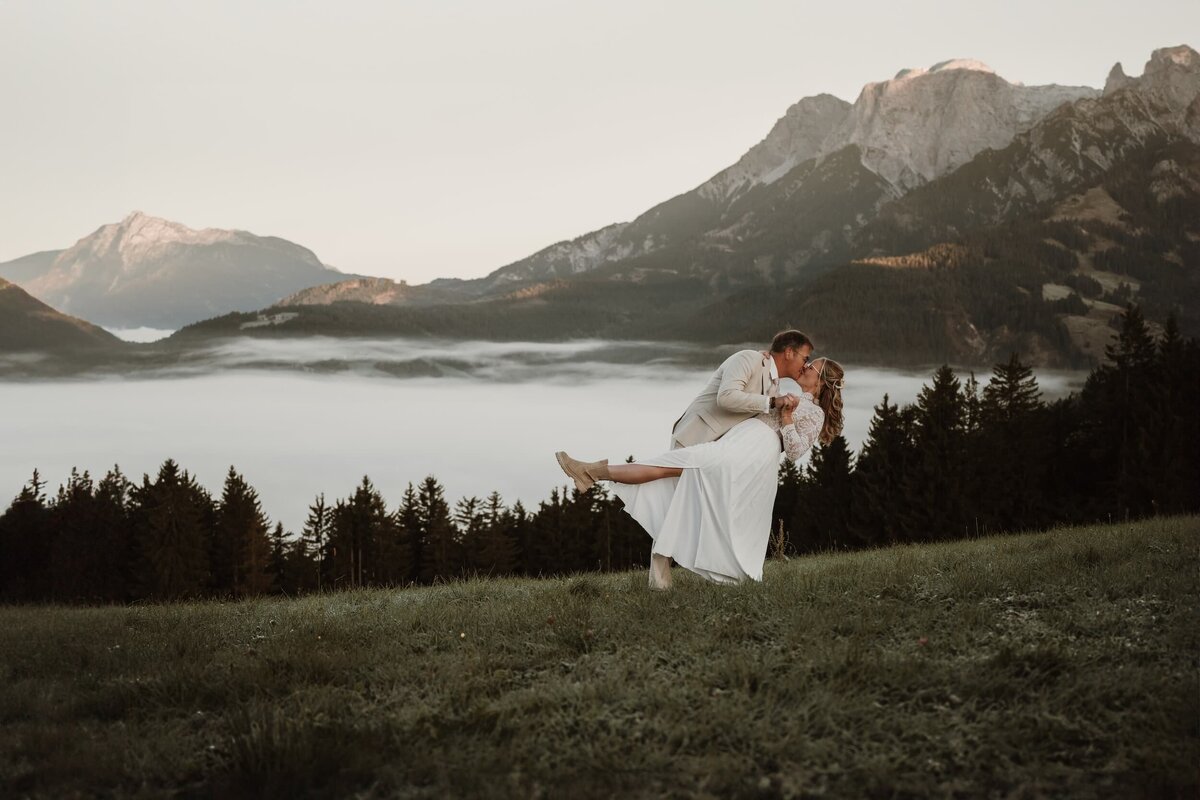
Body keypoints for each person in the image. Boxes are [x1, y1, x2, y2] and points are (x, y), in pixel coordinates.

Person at [556, 356, 846, 590]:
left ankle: (592, 471)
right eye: (807, 363)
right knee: (672, 469)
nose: (806, 367)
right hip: (736, 443)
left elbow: (795, 451)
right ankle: (592, 473)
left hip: (751, 453)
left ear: (821, 381)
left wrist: (785, 417)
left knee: (674, 465)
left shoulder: (815, 413)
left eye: (813, 367)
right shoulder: (787, 395)